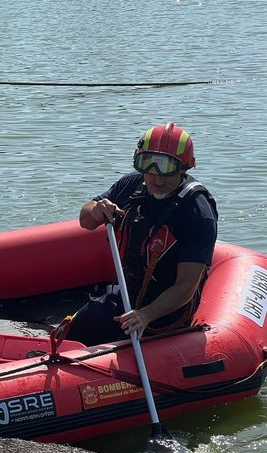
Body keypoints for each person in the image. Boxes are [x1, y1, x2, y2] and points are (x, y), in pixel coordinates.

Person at [67, 122, 218, 347]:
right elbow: (85, 220)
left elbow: (186, 285)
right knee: (78, 328)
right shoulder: (132, 185)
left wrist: (146, 315)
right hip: (124, 297)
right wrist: (96, 209)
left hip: (164, 313)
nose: (157, 178)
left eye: (167, 167)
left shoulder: (197, 213)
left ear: (184, 167)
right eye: (149, 165)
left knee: (120, 347)